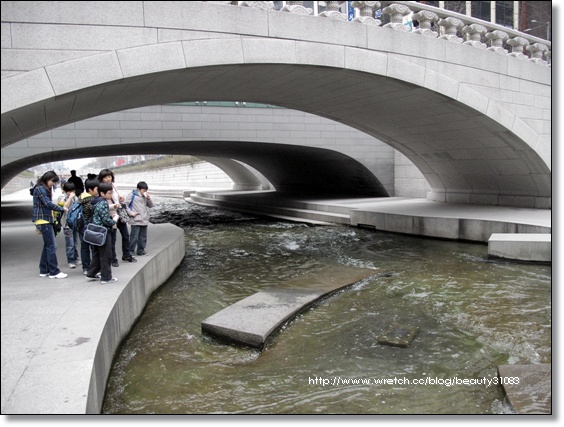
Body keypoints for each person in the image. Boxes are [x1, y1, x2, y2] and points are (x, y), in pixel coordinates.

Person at [32, 171, 68, 279]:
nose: (53, 184)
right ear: (47, 178)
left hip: (44, 220)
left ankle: (44, 270)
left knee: (47, 246)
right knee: (52, 246)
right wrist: (61, 208)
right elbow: (47, 204)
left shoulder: (42, 188)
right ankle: (54, 272)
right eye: (53, 181)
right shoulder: (40, 188)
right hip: (43, 220)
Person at [97, 169, 137, 266]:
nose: (108, 179)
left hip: (119, 213)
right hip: (111, 215)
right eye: (105, 177)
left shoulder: (114, 186)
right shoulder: (100, 189)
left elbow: (116, 199)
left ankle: (126, 255)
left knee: (126, 235)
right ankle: (113, 259)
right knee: (112, 239)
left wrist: (120, 199)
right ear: (101, 179)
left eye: (109, 176)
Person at [86, 182, 119, 284]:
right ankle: (106, 277)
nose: (111, 195)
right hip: (103, 232)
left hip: (95, 231)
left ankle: (91, 273)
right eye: (109, 193)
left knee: (96, 254)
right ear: (102, 193)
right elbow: (105, 219)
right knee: (106, 255)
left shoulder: (94, 201)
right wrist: (114, 220)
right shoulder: (104, 202)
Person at [125, 181, 155, 256]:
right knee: (134, 236)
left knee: (143, 236)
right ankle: (131, 251)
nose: (145, 192)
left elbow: (151, 205)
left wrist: (148, 198)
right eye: (143, 190)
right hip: (135, 219)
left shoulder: (145, 196)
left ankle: (141, 250)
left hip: (144, 219)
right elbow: (125, 205)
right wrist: (131, 213)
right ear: (138, 189)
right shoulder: (132, 195)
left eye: (146, 190)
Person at [78, 179, 99, 275]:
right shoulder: (91, 200)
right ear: (90, 189)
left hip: (81, 225)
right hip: (89, 225)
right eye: (96, 189)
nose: (98, 190)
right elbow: (92, 211)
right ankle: (93, 269)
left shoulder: (80, 197)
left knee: (84, 247)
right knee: (94, 247)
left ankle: (85, 267)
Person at [60, 182, 80, 268]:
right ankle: (70, 260)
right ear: (65, 191)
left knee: (75, 241)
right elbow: (64, 207)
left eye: (72, 191)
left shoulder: (76, 198)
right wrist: (70, 198)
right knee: (69, 242)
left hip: (75, 222)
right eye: (69, 191)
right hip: (66, 223)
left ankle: (75, 258)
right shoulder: (61, 198)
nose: (71, 193)